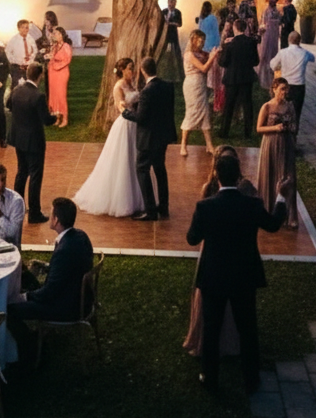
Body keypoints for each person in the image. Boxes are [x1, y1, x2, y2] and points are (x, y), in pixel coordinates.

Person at [186, 155, 288, 395]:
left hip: (214, 277)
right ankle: (251, 378)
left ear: (217, 175)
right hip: (244, 276)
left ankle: (210, 378)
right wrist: (281, 196)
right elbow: (273, 224)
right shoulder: (252, 205)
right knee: (248, 329)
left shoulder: (205, 207)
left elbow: (192, 239)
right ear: (239, 175)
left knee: (212, 329)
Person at [6, 197, 93, 362]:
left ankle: (30, 349)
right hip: (78, 296)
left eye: (52, 214)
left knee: (9, 310)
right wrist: (45, 267)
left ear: (56, 220)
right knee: (26, 276)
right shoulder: (80, 236)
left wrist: (24, 297)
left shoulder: (64, 251)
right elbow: (67, 270)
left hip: (66, 307)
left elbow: (49, 293)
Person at [74, 58, 144, 217]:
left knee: (135, 158)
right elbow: (120, 105)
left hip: (135, 125)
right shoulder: (119, 86)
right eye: (130, 68)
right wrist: (125, 108)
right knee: (123, 159)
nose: (132, 71)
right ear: (122, 70)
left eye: (133, 68)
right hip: (126, 125)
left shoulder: (132, 84)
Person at [123, 57, 176, 221]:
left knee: (142, 169)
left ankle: (150, 210)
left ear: (142, 70)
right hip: (163, 136)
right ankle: (164, 206)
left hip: (148, 138)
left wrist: (126, 113)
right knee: (160, 169)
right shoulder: (168, 86)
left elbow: (141, 117)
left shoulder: (147, 91)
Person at [9, 62, 56, 224]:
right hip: (34, 141)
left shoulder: (17, 90)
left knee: (21, 172)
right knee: (35, 175)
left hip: (19, 138)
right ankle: (34, 213)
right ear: (40, 76)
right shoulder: (38, 96)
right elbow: (46, 120)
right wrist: (56, 116)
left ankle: (17, 206)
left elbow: (9, 104)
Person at [256, 77, 298, 229]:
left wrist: (290, 128)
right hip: (270, 143)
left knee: (287, 176)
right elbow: (259, 128)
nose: (284, 92)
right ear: (274, 89)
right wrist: (275, 128)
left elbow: (294, 126)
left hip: (286, 144)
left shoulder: (290, 107)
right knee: (270, 173)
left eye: (286, 89)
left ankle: (288, 215)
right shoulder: (267, 107)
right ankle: (267, 210)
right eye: (282, 89)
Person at [218, 18, 260, 138]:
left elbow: (223, 62)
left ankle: (224, 131)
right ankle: (248, 132)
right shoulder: (251, 42)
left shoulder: (230, 45)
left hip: (232, 78)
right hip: (246, 77)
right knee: (247, 105)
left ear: (234, 28)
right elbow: (256, 61)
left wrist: (223, 50)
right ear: (245, 28)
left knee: (229, 105)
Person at [179, 29, 219, 156]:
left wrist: (214, 53)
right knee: (191, 113)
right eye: (200, 41)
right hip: (192, 85)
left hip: (201, 85)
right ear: (194, 41)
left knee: (205, 113)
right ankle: (183, 145)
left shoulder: (201, 54)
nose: (202, 43)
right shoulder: (189, 54)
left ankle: (209, 145)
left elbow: (209, 58)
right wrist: (212, 57)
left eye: (204, 41)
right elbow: (204, 68)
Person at [270, 31, 315, 125]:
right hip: (299, 86)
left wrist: (279, 67)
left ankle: (282, 129)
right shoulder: (304, 53)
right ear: (299, 41)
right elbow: (313, 58)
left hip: (285, 85)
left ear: (288, 40)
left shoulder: (283, 52)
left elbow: (272, 65)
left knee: (282, 111)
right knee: (296, 113)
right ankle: (294, 131)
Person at [47, 26, 72, 127]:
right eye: (54, 34)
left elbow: (67, 60)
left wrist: (56, 64)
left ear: (62, 35)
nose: (55, 36)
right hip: (53, 72)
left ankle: (64, 117)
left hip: (61, 72)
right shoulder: (55, 46)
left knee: (61, 94)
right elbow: (52, 56)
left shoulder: (66, 46)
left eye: (57, 34)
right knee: (54, 94)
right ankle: (56, 116)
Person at [257, 0, 282, 88]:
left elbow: (279, 21)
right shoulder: (266, 11)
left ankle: (271, 77)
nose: (272, 0)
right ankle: (262, 77)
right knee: (264, 54)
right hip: (267, 35)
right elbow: (262, 22)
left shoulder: (277, 11)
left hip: (274, 35)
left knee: (272, 54)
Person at [6, 18, 39, 88]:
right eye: (23, 27)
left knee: (29, 87)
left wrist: (31, 59)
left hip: (28, 68)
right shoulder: (14, 39)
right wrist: (16, 61)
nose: (25, 30)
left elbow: (35, 50)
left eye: (27, 28)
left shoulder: (30, 38)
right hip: (17, 68)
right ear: (18, 28)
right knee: (16, 88)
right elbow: (8, 52)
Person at [160, 0, 184, 82]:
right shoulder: (164, 11)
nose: (171, 4)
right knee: (164, 51)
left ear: (175, 3)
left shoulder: (178, 12)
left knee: (176, 52)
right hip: (164, 35)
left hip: (173, 35)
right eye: (170, 2)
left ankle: (178, 73)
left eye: (173, 3)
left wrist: (171, 23)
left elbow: (180, 24)